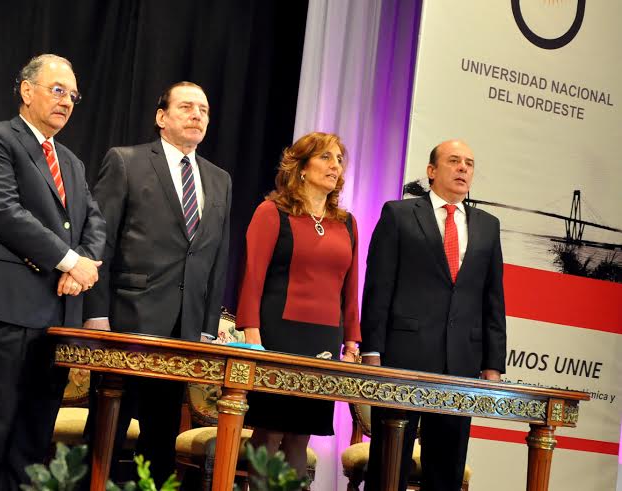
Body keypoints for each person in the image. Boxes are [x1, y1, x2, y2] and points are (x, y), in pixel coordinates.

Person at [0, 54, 106, 491]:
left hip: (57, 317)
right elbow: (4, 212)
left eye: (73, 95)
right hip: (7, 309)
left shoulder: (71, 162)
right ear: (26, 90)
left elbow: (95, 223)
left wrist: (81, 267)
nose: (67, 101)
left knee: (34, 438)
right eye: (58, 91)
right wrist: (69, 260)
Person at [83, 81, 232, 483]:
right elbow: (100, 240)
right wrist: (96, 312)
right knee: (106, 436)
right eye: (186, 107)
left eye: (203, 110)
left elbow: (217, 258)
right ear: (161, 117)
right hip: (126, 321)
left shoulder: (219, 179)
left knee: (161, 440)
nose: (197, 115)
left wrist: (206, 327)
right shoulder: (126, 162)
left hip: (183, 331)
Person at [360, 139, 506, 491]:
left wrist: (493, 363)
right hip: (403, 356)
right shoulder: (399, 214)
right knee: (389, 464)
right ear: (431, 170)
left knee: (446, 468)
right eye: (454, 161)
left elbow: (493, 297)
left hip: (461, 362)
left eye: (469, 163)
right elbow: (379, 287)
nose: (463, 168)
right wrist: (372, 350)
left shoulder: (488, 225)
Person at [235, 132, 361, 477]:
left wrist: (352, 342)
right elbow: (252, 278)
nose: (335, 166)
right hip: (278, 335)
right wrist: (252, 335)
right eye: (325, 157)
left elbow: (351, 289)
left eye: (339, 159)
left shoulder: (347, 223)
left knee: (300, 436)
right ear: (301, 168)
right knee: (271, 431)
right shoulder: (272, 212)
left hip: (323, 339)